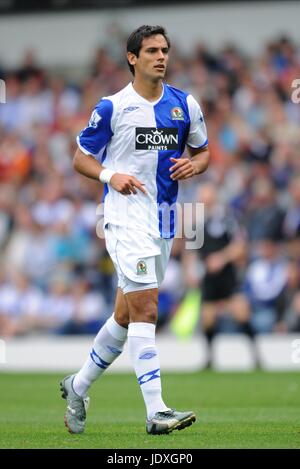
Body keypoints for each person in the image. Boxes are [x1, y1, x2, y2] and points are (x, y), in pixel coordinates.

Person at [60, 25, 209, 435]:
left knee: (126, 316)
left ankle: (78, 384)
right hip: (124, 218)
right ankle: (157, 410)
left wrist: (194, 165)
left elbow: (204, 151)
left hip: (163, 220)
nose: (161, 56)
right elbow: (80, 157)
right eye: (151, 51)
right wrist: (111, 175)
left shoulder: (185, 105)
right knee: (147, 308)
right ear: (132, 58)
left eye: (165, 50)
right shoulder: (112, 107)